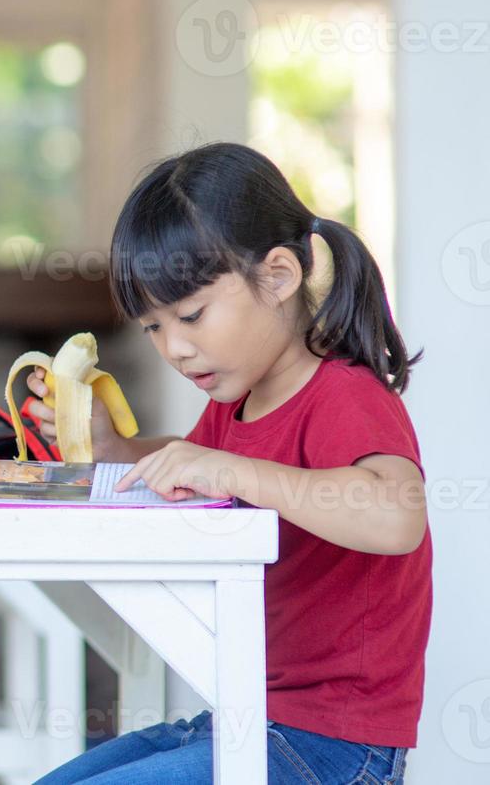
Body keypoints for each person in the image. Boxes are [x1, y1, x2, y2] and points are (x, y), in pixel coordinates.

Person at [30, 143, 427, 785]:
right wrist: (116, 451)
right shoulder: (240, 403)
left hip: (330, 749)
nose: (176, 349)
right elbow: (195, 464)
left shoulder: (343, 395)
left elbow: (396, 514)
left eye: (190, 315)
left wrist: (229, 471)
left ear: (277, 277)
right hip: (246, 718)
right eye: (153, 327)